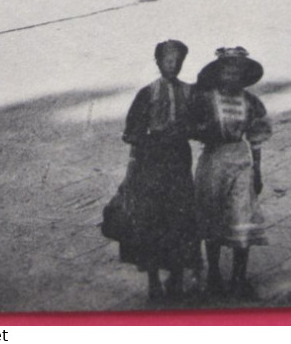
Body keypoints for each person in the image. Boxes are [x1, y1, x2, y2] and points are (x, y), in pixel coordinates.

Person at [111, 39, 201, 304]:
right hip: (152, 163)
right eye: (168, 60)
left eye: (178, 61)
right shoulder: (147, 93)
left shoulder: (189, 92)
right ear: (158, 62)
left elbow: (197, 124)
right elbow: (131, 133)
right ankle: (153, 279)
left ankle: (176, 275)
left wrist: (186, 130)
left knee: (180, 218)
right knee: (152, 220)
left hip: (178, 161)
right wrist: (153, 138)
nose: (173, 66)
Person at [192, 46, 271, 298]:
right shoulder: (204, 99)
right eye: (227, 71)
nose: (232, 77)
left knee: (242, 214)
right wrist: (203, 129)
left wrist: (257, 170)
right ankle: (213, 274)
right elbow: (191, 126)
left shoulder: (250, 102)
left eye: (237, 72)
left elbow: (256, 137)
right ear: (218, 74)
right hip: (213, 159)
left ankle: (239, 277)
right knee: (211, 214)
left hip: (240, 159)